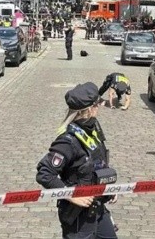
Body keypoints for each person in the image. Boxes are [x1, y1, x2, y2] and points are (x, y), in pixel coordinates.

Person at [37, 82, 118, 239]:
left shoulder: (93, 130)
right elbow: (45, 173)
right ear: (88, 109)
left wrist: (109, 188)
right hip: (78, 216)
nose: (100, 107)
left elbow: (98, 162)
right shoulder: (68, 141)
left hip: (98, 207)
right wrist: (71, 195)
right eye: (98, 104)